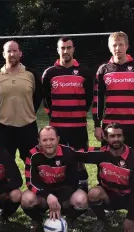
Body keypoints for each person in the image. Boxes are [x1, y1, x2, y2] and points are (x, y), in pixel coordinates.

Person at [80, 123, 134, 232]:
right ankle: (102, 220)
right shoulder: (100, 153)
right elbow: (76, 154)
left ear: (124, 137)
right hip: (108, 196)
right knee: (93, 193)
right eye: (112, 136)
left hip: (129, 196)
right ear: (106, 138)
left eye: (119, 136)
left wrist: (130, 218)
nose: (116, 139)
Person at [42, 36, 93, 191]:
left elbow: (89, 97)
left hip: (78, 125)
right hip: (58, 126)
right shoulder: (49, 73)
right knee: (59, 158)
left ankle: (83, 188)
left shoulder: (84, 72)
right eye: (62, 48)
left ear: (73, 49)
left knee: (80, 158)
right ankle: (62, 189)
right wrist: (53, 115)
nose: (65, 51)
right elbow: (46, 98)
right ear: (58, 50)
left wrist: (80, 112)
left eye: (68, 48)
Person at [93, 31, 134, 153]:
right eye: (114, 45)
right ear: (109, 47)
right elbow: (98, 99)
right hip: (110, 125)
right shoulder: (104, 70)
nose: (117, 48)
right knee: (108, 162)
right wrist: (97, 125)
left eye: (121, 44)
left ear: (126, 46)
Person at [21, 126, 88, 232]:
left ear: (58, 139)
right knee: (26, 199)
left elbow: (73, 183)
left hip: (64, 192)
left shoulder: (68, 153)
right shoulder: (33, 154)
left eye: (52, 139)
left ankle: (70, 219)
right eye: (44, 140)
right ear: (39, 141)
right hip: (44, 194)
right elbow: (31, 182)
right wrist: (47, 196)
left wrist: (59, 200)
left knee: (82, 200)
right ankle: (37, 219)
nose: (48, 143)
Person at [0, 40, 42, 162]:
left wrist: (28, 111)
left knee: (33, 162)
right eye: (9, 51)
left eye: (15, 51)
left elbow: (38, 96)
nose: (12, 54)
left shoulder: (31, 74)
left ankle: (32, 182)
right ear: (4, 54)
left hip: (28, 126)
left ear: (20, 53)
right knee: (5, 164)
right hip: (5, 128)